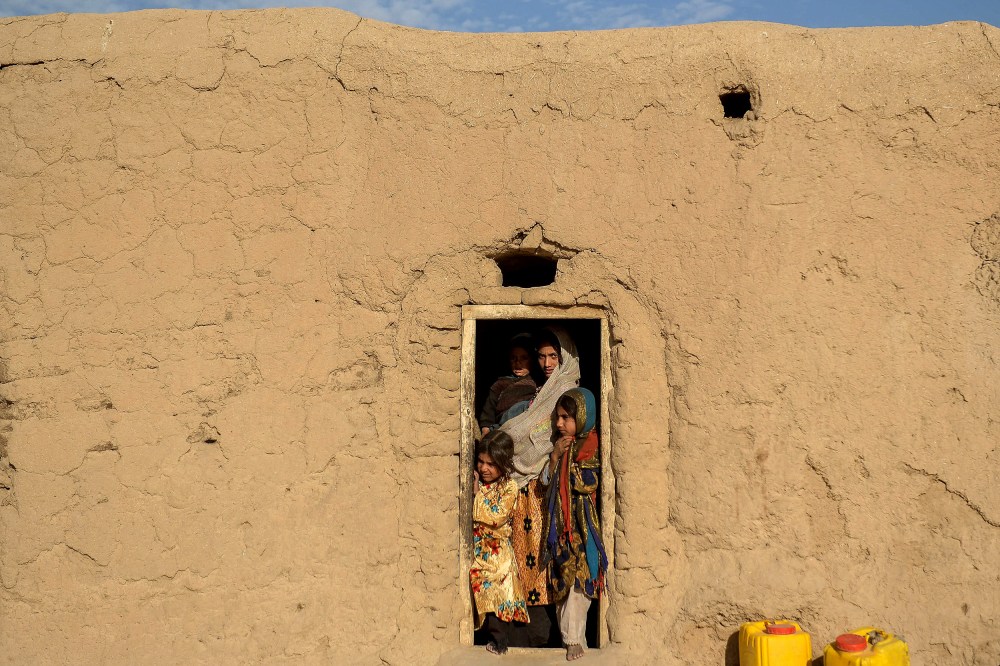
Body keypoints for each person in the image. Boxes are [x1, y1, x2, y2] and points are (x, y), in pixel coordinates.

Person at [500, 327, 582, 647]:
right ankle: (519, 635)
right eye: (542, 356)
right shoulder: (539, 390)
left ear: (564, 358)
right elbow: (521, 434)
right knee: (518, 563)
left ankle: (546, 637)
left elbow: (541, 442)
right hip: (523, 492)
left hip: (546, 493)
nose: (547, 362)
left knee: (544, 564)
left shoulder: (565, 391)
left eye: (553, 356)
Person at [542, 387, 608, 661]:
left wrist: (567, 464)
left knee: (582, 583)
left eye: (565, 417)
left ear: (582, 417)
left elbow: (586, 483)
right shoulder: (560, 448)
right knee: (562, 584)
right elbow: (545, 482)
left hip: (583, 529)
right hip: (562, 529)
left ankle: (573, 640)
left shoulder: (592, 447)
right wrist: (556, 458)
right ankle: (575, 640)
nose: (559, 424)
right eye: (558, 417)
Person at [471, 430, 530, 655]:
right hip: (478, 549)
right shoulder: (479, 481)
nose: (484, 468)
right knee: (480, 591)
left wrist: (477, 495)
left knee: (498, 592)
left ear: (503, 464)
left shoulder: (509, 487)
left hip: (497, 553)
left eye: (491, 464)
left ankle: (499, 643)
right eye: (481, 462)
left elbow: (496, 516)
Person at [479, 334, 538, 436]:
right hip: (505, 420)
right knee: (520, 408)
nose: (518, 363)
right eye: (513, 358)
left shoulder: (536, 382)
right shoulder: (501, 383)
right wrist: (485, 431)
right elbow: (488, 410)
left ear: (532, 360)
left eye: (524, 358)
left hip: (527, 422)